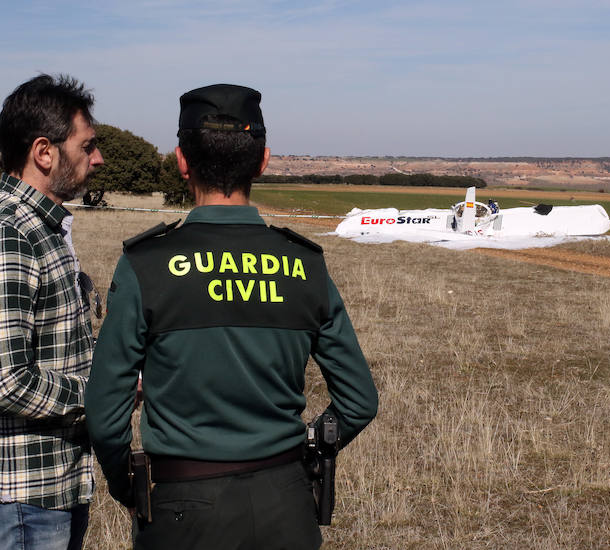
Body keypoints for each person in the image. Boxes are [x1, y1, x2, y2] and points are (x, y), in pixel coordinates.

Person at [85, 84, 378, 550]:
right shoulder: (305, 263)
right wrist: (309, 456)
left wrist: (129, 486)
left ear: (181, 161)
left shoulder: (146, 264)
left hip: (182, 510)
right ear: (262, 162)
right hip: (288, 503)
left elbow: (104, 412)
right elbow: (360, 401)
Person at [0, 74, 103, 550]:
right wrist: (104, 393)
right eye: (87, 146)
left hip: (54, 488)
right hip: (23, 500)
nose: (97, 159)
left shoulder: (45, 228)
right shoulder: (11, 234)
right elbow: (7, 381)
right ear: (44, 152)